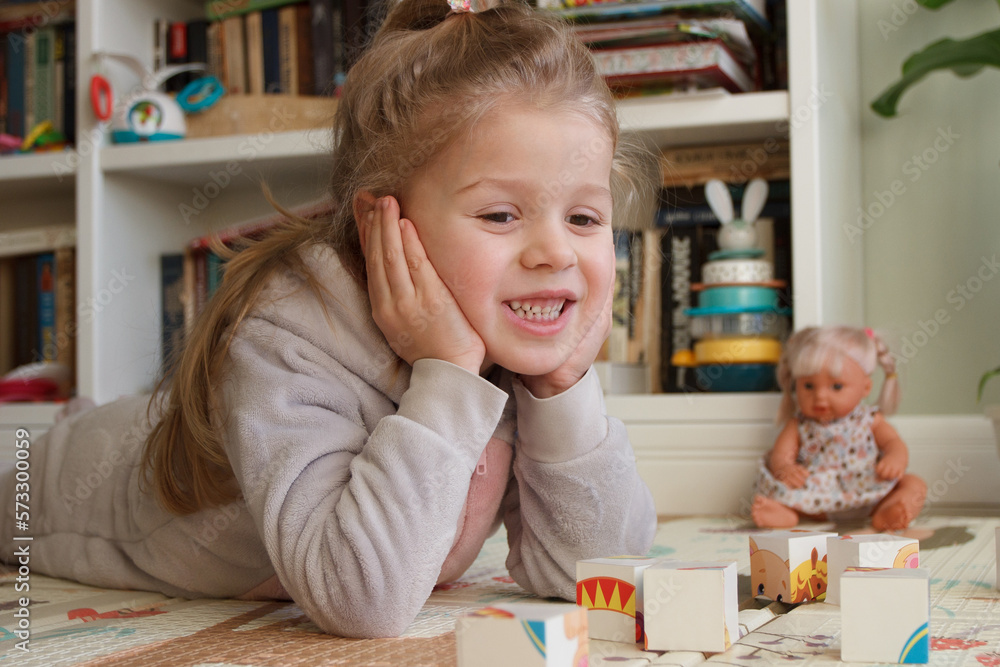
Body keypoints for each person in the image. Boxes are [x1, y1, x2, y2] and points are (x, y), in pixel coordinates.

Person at [0, 0, 658, 639]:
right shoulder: (286, 334)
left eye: (584, 218)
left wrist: (563, 388)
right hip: (72, 490)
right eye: (500, 215)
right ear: (381, 226)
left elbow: (594, 573)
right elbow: (360, 600)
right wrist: (447, 373)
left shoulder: (509, 345)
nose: (556, 253)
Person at [750, 326, 927, 531]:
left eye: (836, 387)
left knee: (913, 483)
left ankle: (889, 511)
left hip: (869, 490)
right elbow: (781, 454)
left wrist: (895, 458)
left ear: (866, 387)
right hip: (815, 497)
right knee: (780, 488)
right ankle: (787, 514)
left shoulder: (870, 419)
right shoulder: (799, 424)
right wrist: (784, 468)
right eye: (808, 386)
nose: (820, 397)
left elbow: (892, 442)